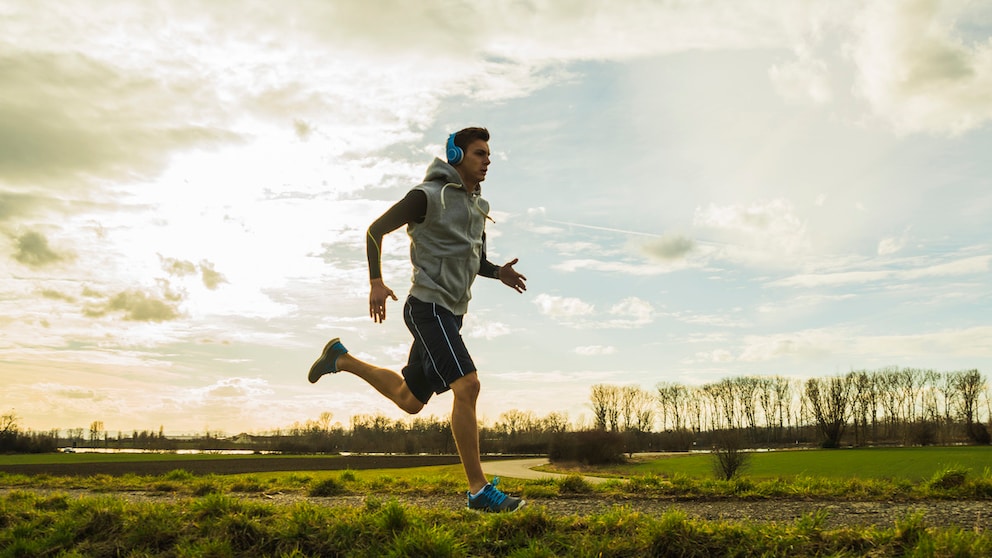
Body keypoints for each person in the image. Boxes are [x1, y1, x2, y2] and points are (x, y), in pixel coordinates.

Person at [308, 127, 528, 512]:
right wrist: (376, 281)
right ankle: (478, 492)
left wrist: (499, 273)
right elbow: (375, 231)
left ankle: (340, 358)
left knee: (410, 401)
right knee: (468, 385)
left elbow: (475, 261)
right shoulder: (426, 196)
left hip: (451, 315)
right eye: (479, 153)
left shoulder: (479, 207)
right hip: (427, 308)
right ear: (456, 156)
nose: (487, 160)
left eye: (489, 154)